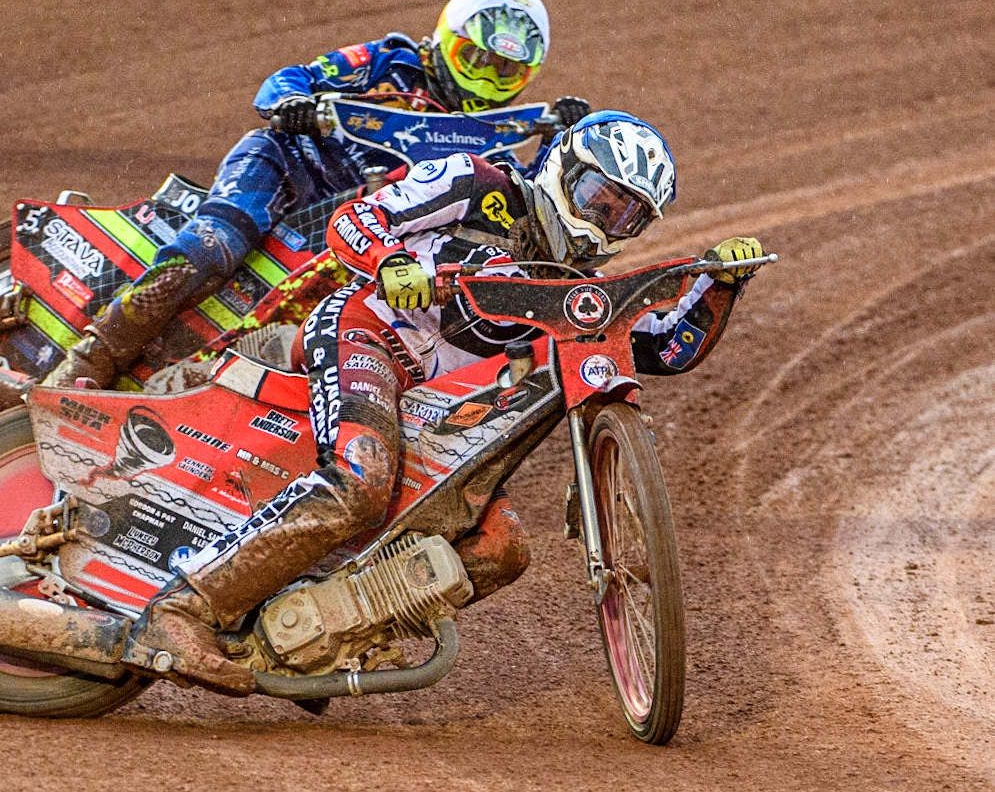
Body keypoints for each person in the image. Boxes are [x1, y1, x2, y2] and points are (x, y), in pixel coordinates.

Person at [122, 110, 766, 695]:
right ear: (566, 169)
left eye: (627, 217)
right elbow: (357, 220)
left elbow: (662, 350)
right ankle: (180, 611)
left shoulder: (577, 290)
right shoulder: (475, 181)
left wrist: (718, 288)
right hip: (367, 335)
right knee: (361, 479)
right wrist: (390, 263)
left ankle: (315, 635)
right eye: (601, 199)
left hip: (441, 405)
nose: (605, 224)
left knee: (503, 547)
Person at [44, 0, 593, 388]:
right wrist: (292, 103)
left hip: (370, 226)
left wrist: (560, 138)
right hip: (290, 164)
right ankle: (89, 357)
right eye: (476, 56)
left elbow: (527, 196)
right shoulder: (393, 63)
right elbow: (293, 79)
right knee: (213, 247)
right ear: (448, 36)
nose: (487, 76)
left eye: (505, 71)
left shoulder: (492, 139)